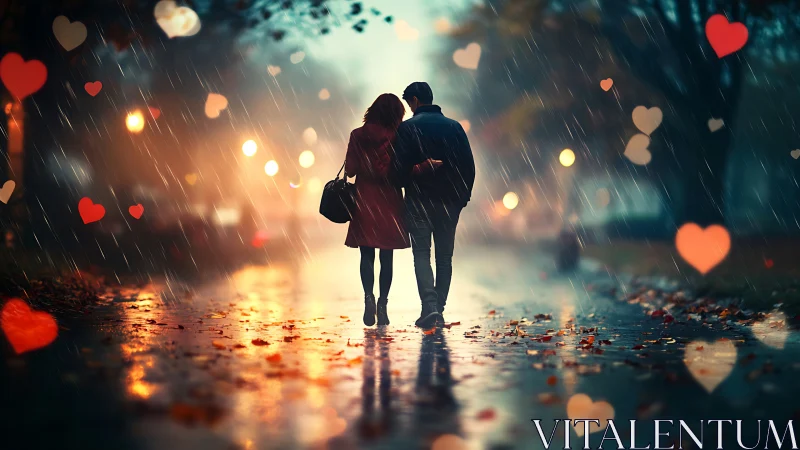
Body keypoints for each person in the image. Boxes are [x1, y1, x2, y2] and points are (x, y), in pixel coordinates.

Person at [345, 93, 442, 326]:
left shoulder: (358, 135)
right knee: (386, 255)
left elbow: (349, 170)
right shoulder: (399, 137)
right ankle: (383, 304)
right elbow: (404, 172)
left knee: (366, 254)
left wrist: (364, 163)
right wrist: (425, 167)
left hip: (364, 199)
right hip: (389, 201)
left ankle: (368, 297)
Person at [393, 82, 476, 328]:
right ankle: (438, 308)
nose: (409, 109)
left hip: (419, 201)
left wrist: (413, 175)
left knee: (421, 255)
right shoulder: (455, 128)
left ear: (416, 101)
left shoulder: (406, 129)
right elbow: (469, 168)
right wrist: (462, 198)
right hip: (449, 203)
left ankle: (429, 307)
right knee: (444, 258)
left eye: (409, 104)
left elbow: (397, 173)